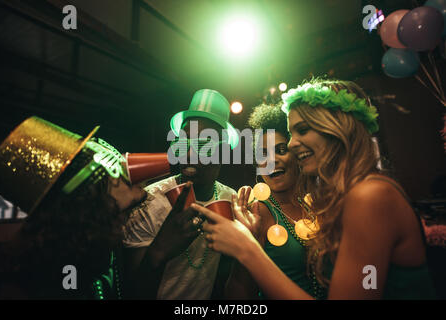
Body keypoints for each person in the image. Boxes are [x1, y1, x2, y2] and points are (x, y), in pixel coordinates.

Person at [192, 79, 437, 299]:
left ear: (336, 128)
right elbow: (368, 283)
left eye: (302, 130)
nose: (292, 143)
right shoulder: (353, 195)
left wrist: (247, 250)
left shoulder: (369, 196)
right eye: (291, 133)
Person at [0, 116, 147, 299]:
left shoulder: (102, 250)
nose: (125, 167)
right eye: (109, 167)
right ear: (85, 196)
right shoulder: (54, 277)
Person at [122, 89, 239, 299]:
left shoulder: (232, 202)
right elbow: (131, 291)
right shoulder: (148, 201)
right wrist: (159, 251)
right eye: (184, 140)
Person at [225, 103, 323, 299]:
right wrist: (246, 241)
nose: (271, 160)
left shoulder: (319, 202)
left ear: (297, 154)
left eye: (280, 150)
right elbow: (237, 295)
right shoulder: (257, 211)